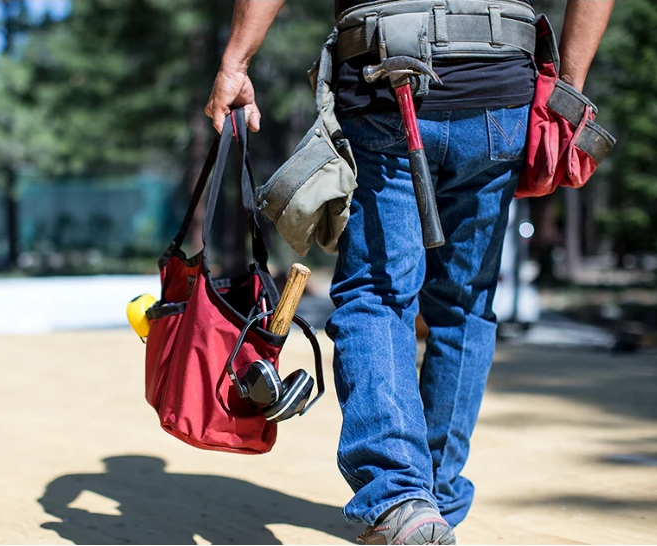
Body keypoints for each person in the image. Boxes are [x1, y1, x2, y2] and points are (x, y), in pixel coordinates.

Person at [205, 1, 614, 544]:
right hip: (500, 90)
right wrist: (569, 88)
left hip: (384, 83)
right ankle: (434, 499)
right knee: (463, 306)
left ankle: (402, 498)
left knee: (378, 295)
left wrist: (237, 61)